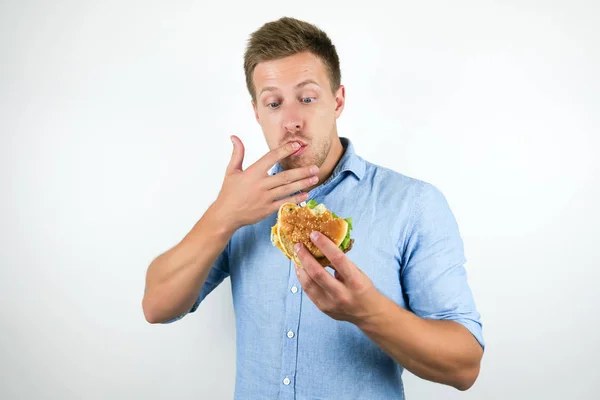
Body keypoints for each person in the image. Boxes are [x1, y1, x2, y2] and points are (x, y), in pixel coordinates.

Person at [142, 16, 484, 399]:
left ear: (337, 100)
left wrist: (366, 310)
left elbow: (464, 365)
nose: (291, 121)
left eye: (307, 98)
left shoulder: (413, 204)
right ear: (257, 112)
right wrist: (223, 216)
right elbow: (157, 305)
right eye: (274, 103)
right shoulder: (240, 206)